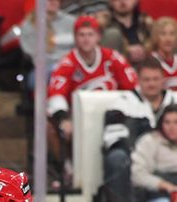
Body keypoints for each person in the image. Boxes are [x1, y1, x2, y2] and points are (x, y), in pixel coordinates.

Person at [48, 16, 138, 182]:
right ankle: (68, 168)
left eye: (90, 34)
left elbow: (132, 87)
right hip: (78, 119)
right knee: (52, 127)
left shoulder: (113, 58)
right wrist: (63, 120)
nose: (86, 39)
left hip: (113, 117)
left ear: (98, 37)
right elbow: (56, 94)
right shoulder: (67, 63)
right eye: (81, 35)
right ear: (75, 38)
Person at [101, 57, 177, 202]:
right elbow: (113, 138)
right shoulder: (122, 103)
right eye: (146, 79)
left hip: (172, 158)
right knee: (117, 158)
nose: (151, 84)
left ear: (164, 80)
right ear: (138, 79)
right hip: (138, 159)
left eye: (156, 79)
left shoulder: (174, 100)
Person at [131, 105, 177, 202]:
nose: (172, 127)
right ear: (160, 123)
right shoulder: (149, 141)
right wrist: (166, 186)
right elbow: (138, 174)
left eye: (176, 122)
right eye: (167, 122)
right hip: (156, 199)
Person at [100, 0, 152, 66]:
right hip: (117, 69)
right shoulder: (104, 25)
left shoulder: (146, 22)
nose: (122, 1)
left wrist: (145, 50)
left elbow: (153, 44)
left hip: (145, 68)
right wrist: (126, 51)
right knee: (112, 35)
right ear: (111, 2)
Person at [149, 16, 177, 88]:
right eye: (163, 34)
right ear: (156, 37)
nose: (168, 39)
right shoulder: (149, 62)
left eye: (172, 34)